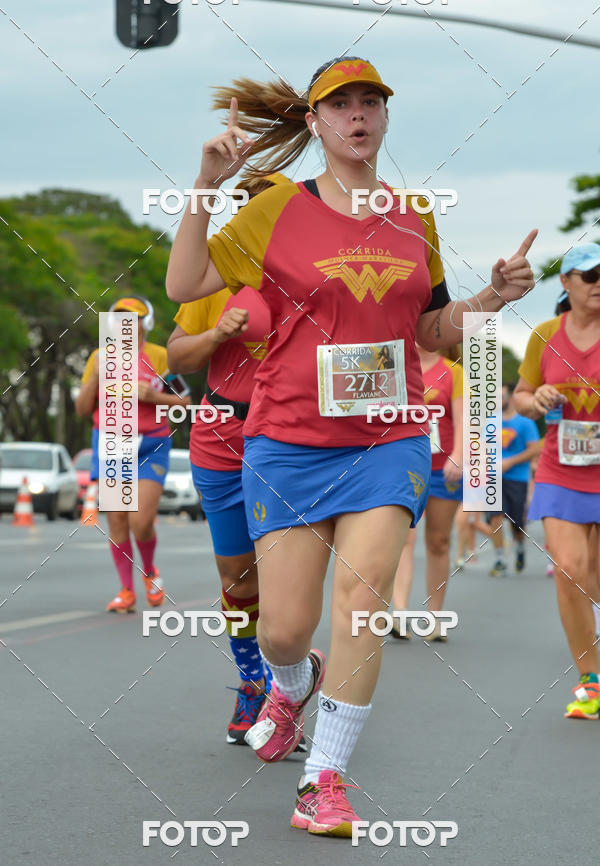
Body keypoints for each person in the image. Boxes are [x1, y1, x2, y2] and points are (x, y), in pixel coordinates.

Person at [166, 55, 536, 836]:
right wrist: (203, 184)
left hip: (389, 440)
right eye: (341, 105)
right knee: (284, 629)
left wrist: (493, 299)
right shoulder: (274, 212)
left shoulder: (414, 217)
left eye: (371, 102)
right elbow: (184, 283)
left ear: (385, 117)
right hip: (290, 438)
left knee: (362, 605)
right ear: (315, 123)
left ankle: (324, 782)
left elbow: (431, 331)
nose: (358, 115)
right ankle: (291, 682)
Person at [167, 222, 307, 748]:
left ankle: (284, 693)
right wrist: (218, 334)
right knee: (238, 577)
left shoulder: (315, 276)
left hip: (294, 433)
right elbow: (177, 359)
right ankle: (253, 681)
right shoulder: (215, 274)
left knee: (287, 577)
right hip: (222, 432)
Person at [514, 243, 600, 719]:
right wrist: (537, 398)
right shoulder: (545, 335)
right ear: (566, 282)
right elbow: (523, 396)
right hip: (560, 470)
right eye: (589, 275)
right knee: (569, 568)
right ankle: (590, 681)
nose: (598, 283)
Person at [76, 296, 186, 613]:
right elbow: (83, 409)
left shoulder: (161, 357)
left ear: (146, 323)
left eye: (133, 318)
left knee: (141, 521)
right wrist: (97, 375)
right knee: (119, 520)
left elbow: (185, 402)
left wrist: (154, 396)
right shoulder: (99, 356)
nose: (126, 324)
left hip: (152, 442)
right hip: (114, 443)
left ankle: (149, 571)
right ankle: (126, 590)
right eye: (119, 318)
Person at [390, 345, 463, 641]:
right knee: (403, 539)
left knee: (439, 542)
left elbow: (463, 421)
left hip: (441, 468)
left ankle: (435, 616)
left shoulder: (453, 371)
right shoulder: (394, 363)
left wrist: (458, 455)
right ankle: (400, 612)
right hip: (403, 466)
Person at [488, 383, 540, 576]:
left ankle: (519, 548)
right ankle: (500, 559)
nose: (497, 401)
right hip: (493, 479)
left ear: (510, 398)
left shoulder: (525, 423)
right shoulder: (490, 422)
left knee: (516, 522)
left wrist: (510, 462)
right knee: (494, 516)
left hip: (517, 478)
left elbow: (535, 449)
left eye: (501, 396)